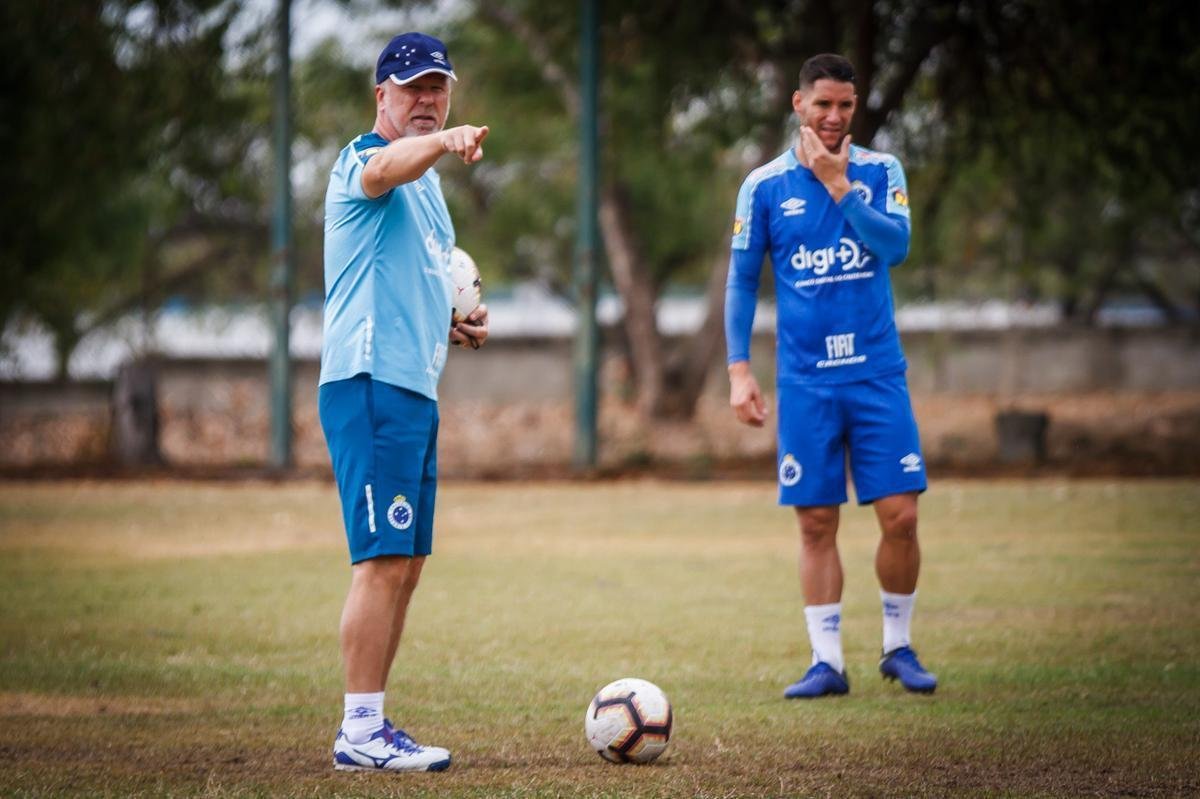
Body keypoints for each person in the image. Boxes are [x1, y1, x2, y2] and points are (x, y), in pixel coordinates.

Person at [724, 53, 937, 699]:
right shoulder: (764, 185)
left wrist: (840, 186)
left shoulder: (881, 170)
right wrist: (740, 370)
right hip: (807, 382)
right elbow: (740, 279)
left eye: (846, 104)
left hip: (876, 375)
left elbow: (895, 247)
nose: (836, 116)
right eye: (824, 104)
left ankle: (898, 647)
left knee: (900, 515)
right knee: (816, 520)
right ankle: (826, 661)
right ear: (799, 105)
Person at [318, 31, 490, 772]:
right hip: (369, 383)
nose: (426, 98)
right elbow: (385, 167)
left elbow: (414, 276)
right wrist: (445, 141)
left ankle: (373, 722)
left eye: (438, 87)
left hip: (412, 387)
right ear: (380, 95)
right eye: (412, 87)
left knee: (408, 561)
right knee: (381, 560)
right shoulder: (367, 158)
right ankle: (359, 730)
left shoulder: (430, 192)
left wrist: (451, 320)